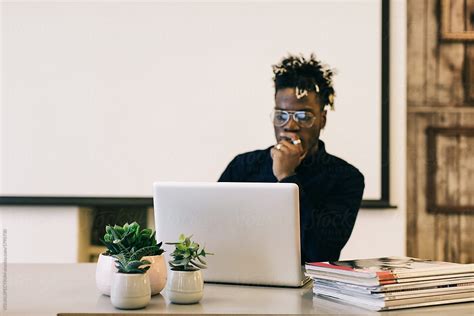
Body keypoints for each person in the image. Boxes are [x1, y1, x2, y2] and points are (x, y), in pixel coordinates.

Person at [218, 54, 365, 263]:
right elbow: (214, 231)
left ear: (322, 120)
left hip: (310, 289)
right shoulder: (244, 166)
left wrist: (287, 177)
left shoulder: (345, 177)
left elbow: (322, 251)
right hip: (243, 281)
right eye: (281, 115)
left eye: (304, 117)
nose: (290, 126)